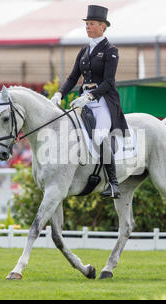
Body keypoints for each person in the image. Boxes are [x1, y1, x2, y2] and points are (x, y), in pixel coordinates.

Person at [51, 5, 129, 199]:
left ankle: (113, 183)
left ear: (103, 27)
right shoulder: (84, 52)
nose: (88, 27)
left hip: (102, 101)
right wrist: (59, 94)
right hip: (82, 101)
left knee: (100, 136)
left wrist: (89, 96)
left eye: (92, 24)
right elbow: (72, 78)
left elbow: (109, 82)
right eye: (87, 24)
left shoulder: (111, 51)